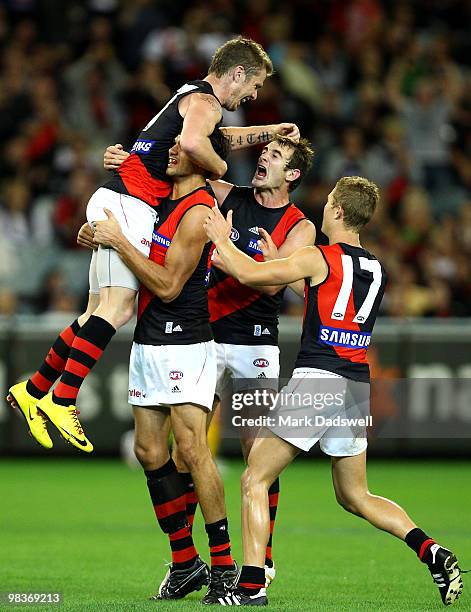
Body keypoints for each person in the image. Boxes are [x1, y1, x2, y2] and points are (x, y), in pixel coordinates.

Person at [7, 36, 298, 452]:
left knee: (96, 311)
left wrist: (269, 131)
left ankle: (34, 390)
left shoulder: (192, 98)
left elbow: (214, 137)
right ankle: (63, 398)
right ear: (237, 74)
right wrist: (221, 168)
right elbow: (203, 146)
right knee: (118, 308)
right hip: (129, 202)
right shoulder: (207, 104)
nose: (253, 95)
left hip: (121, 196)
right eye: (253, 86)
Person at [202, 176, 463, 607]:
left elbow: (249, 273)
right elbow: (325, 295)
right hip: (355, 383)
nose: (322, 207)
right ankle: (428, 548)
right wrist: (279, 265)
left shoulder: (316, 255)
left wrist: (220, 239)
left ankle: (250, 586)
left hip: (319, 379)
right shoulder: (376, 268)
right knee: (354, 495)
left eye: (328, 203)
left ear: (339, 212)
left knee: (254, 478)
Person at [106, 134, 316, 589]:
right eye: (263, 154)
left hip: (255, 345)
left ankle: (264, 553)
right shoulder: (227, 197)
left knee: (256, 453)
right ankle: (187, 559)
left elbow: (274, 286)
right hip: (207, 336)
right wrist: (131, 163)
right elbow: (190, 169)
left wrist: (225, 255)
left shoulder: (300, 227)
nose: (264, 159)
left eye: (275, 156)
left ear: (293, 175)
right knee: (186, 451)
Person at [90, 130, 240, 602]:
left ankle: (223, 567)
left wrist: (119, 241)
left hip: (186, 342)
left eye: (182, 147)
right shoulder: (163, 203)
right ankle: (184, 563)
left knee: (193, 451)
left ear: (202, 161)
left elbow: (171, 285)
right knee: (149, 453)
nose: (172, 149)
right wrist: (98, 237)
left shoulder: (197, 212)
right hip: (149, 338)